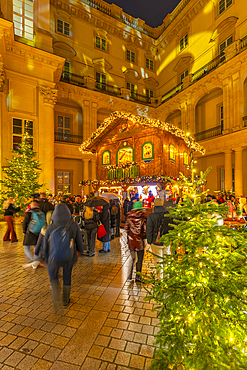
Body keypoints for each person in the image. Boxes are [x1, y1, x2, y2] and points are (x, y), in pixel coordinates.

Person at [43, 203, 84, 309]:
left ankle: (56, 297)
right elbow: (79, 240)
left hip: (54, 256)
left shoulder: (51, 226)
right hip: (69, 256)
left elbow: (45, 243)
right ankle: (65, 300)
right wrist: (80, 252)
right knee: (67, 277)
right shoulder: (73, 225)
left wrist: (46, 257)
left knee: (54, 276)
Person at [146, 198, 175, 278]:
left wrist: (149, 241)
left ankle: (160, 280)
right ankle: (167, 278)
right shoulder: (168, 214)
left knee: (158, 262)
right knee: (167, 261)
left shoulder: (151, 216)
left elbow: (149, 229)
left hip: (156, 242)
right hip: (166, 241)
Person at [125, 201, 147, 282]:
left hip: (131, 240)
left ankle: (130, 275)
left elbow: (126, 227)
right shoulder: (143, 217)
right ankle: (138, 276)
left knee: (132, 258)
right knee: (140, 259)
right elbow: (145, 230)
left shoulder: (129, 216)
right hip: (139, 240)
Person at [22, 199, 44, 268]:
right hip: (39, 233)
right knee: (36, 247)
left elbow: (25, 223)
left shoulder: (29, 213)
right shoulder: (41, 213)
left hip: (30, 232)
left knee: (27, 247)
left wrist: (24, 231)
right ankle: (35, 261)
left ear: (33, 205)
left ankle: (33, 260)